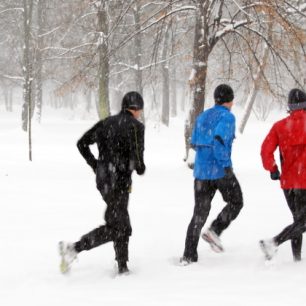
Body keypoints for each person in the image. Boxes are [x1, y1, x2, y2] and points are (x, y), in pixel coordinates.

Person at [58, 91, 146, 275]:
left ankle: (122, 267)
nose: (140, 113)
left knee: (119, 225)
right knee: (121, 227)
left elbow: (82, 143)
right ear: (136, 109)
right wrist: (138, 166)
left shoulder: (106, 123)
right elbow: (139, 163)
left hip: (104, 181)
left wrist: (96, 165)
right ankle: (74, 249)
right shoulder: (137, 127)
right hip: (120, 183)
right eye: (140, 110)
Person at [180, 84, 243, 265]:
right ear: (229, 100)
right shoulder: (228, 117)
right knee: (237, 201)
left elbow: (193, 141)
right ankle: (214, 230)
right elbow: (218, 141)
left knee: (199, 213)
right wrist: (225, 166)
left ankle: (188, 255)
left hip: (201, 173)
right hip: (219, 170)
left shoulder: (202, 117)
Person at [260, 88, 306, 262]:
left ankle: (297, 259)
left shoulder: (280, 126)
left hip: (288, 183)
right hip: (304, 182)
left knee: (298, 220)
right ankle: (273, 242)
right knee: (302, 222)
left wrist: (272, 169)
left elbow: (265, 150)